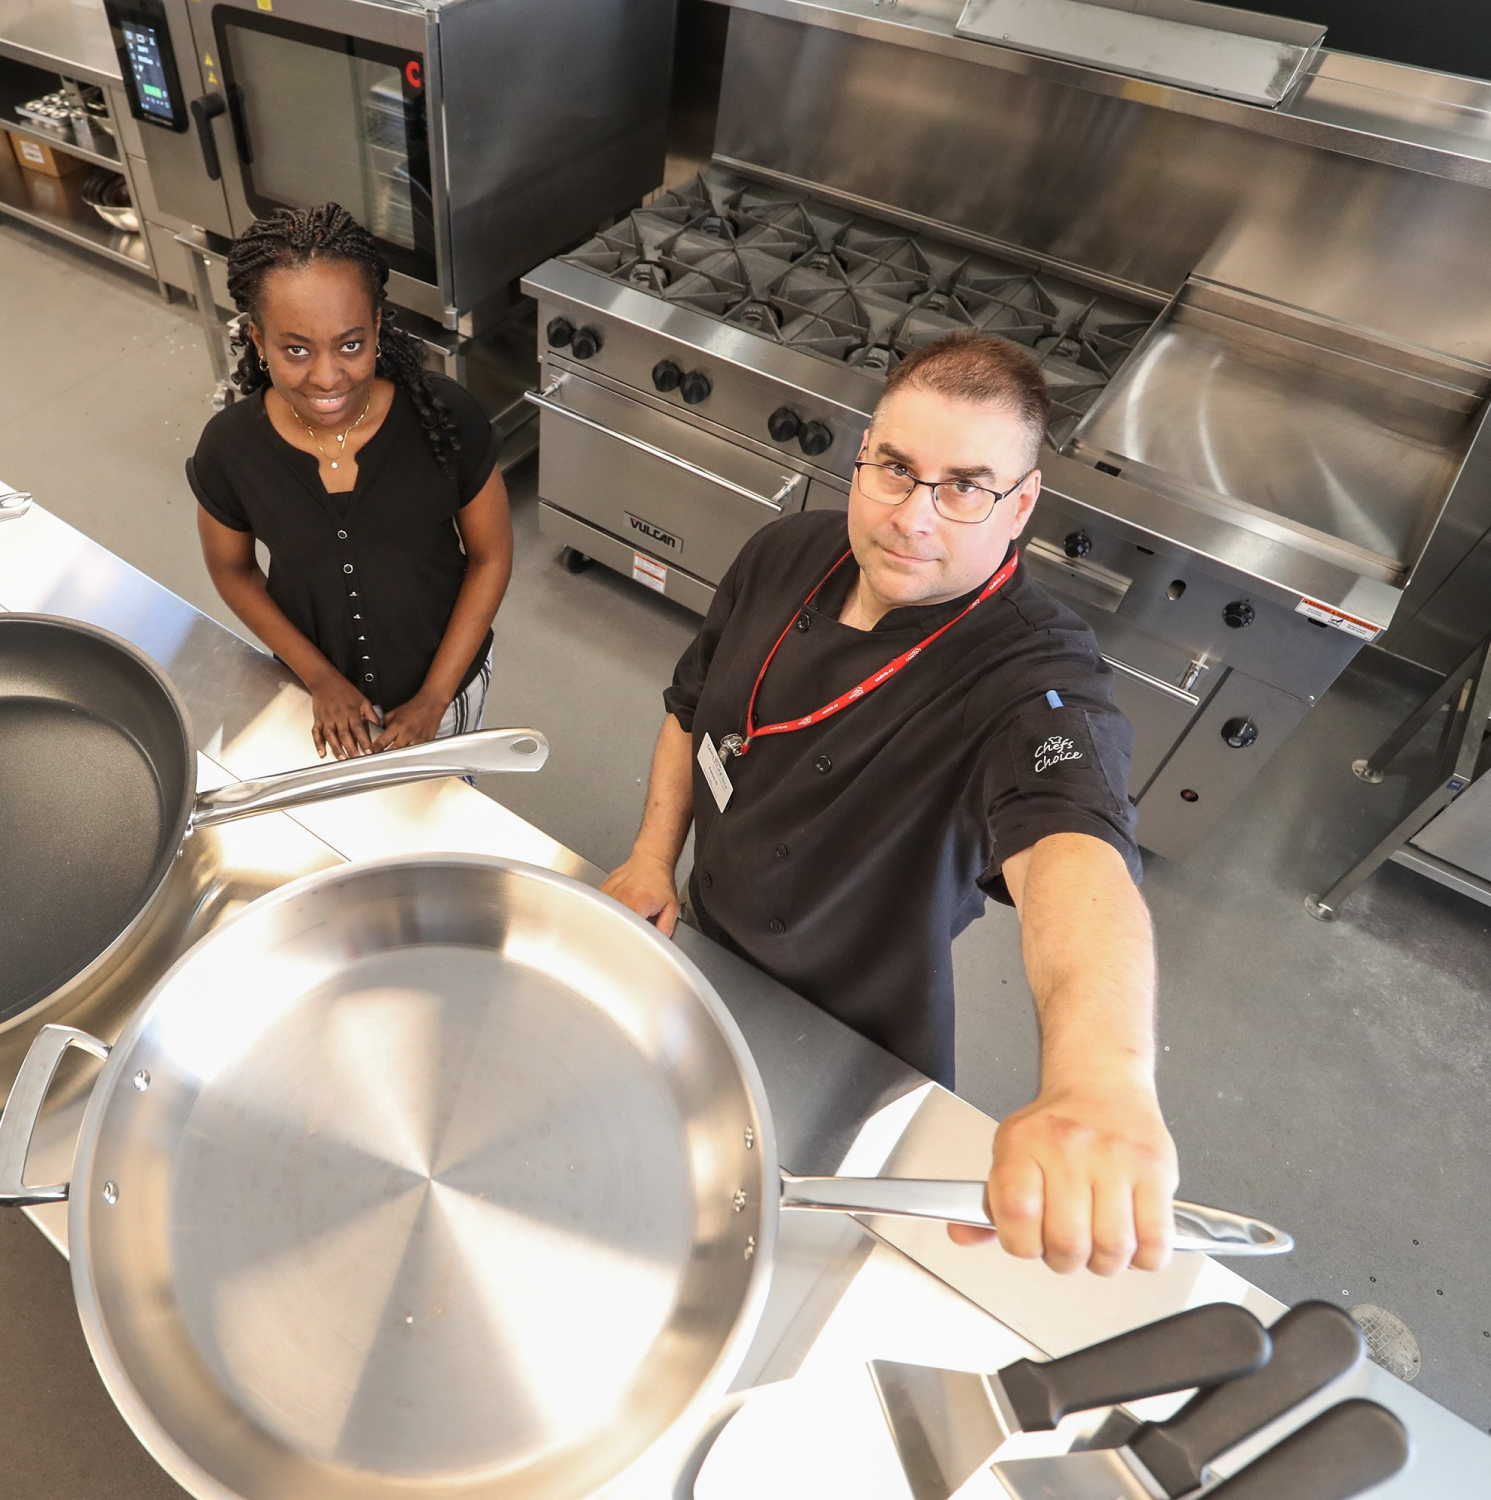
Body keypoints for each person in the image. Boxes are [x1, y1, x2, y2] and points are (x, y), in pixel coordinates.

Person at [601, 332, 1175, 1278]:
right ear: (862, 453)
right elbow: (690, 712)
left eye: (965, 487)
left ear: (1021, 504)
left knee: (790, 1255)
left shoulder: (1033, 673)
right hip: (710, 935)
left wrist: (1099, 1081)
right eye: (895, 470)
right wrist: (654, 856)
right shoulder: (783, 550)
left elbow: (1074, 846)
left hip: (863, 1022)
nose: (913, 517)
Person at [189, 204, 512, 758]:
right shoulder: (229, 450)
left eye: (350, 344)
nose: (327, 377)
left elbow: (490, 558)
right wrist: (319, 679)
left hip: (448, 692)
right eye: (296, 350)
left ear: (378, 328)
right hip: (314, 702)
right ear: (258, 340)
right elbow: (233, 571)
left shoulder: (445, 417)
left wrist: (435, 697)